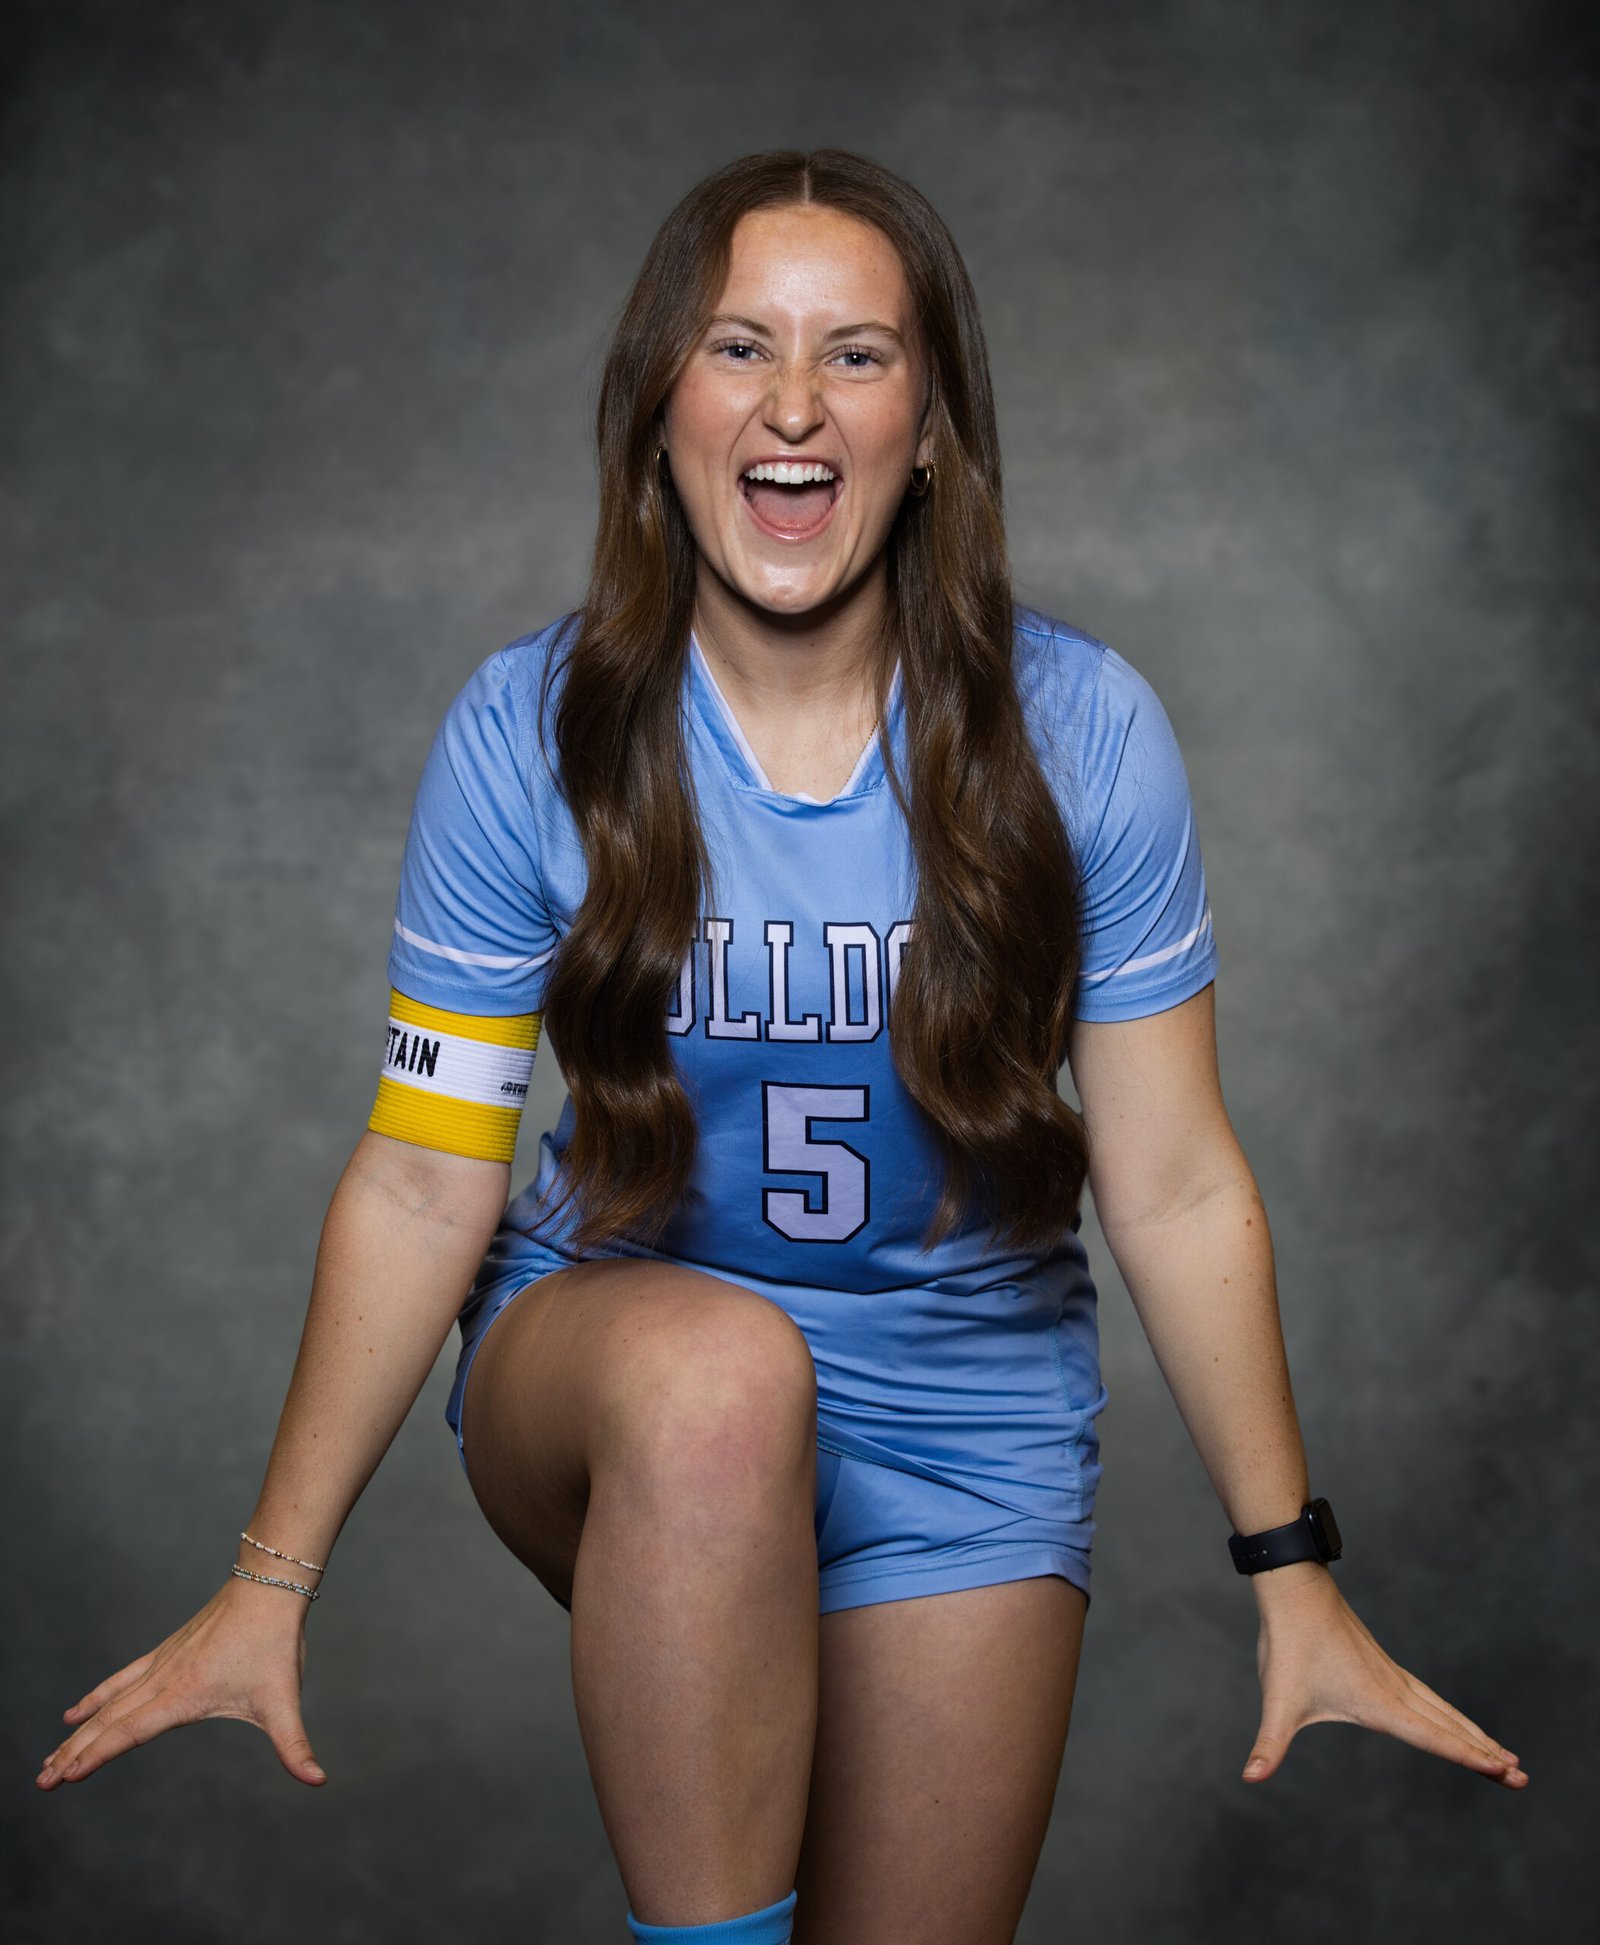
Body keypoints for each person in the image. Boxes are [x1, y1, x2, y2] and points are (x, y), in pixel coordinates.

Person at [35, 148, 1527, 1942]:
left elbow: (1178, 1179)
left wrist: (1293, 1573)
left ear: (933, 425)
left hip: (962, 1414)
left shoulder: (1084, 732)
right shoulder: (530, 731)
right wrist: (270, 1578)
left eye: (858, 355)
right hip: (623, 1366)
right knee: (726, 1377)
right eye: (739, 345)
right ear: (659, 404)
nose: (795, 404)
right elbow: (430, 1169)